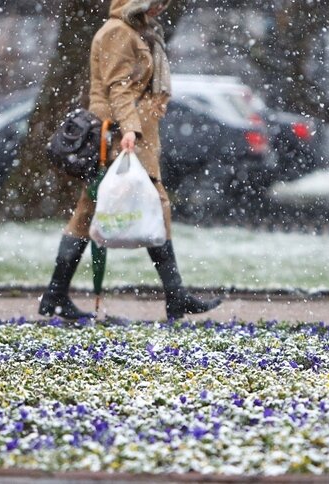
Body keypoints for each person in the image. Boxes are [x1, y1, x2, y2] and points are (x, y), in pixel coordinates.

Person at [39, 0, 221, 320]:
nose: (160, 8)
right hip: (118, 135)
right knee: (149, 204)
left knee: (91, 212)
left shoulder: (139, 33)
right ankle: (174, 294)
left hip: (131, 134)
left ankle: (56, 295)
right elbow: (118, 89)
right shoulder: (118, 32)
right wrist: (132, 132)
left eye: (164, 3)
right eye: (155, 2)